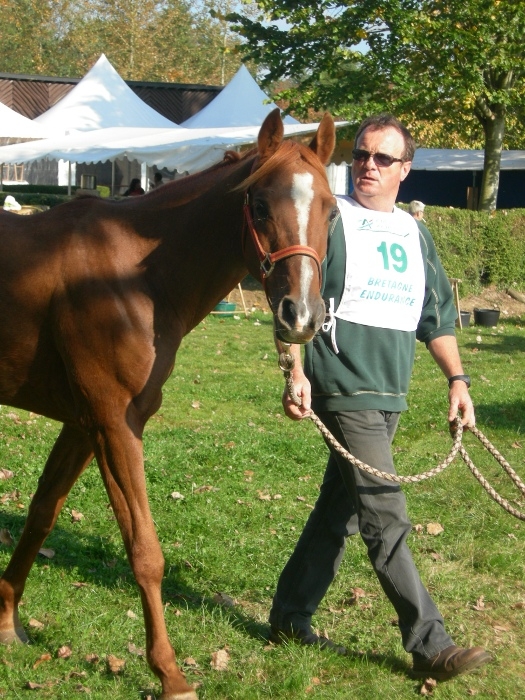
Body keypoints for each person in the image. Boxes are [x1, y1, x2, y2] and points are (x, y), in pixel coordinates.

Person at [268, 114, 492, 682]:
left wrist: (458, 380)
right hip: (344, 387)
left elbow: (436, 316)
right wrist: (295, 370)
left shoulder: (415, 234)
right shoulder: (331, 219)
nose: (368, 165)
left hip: (391, 393)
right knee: (385, 516)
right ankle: (430, 643)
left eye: (382, 158)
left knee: (338, 513)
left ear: (405, 170)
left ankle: (289, 614)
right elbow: (294, 293)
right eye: (362, 155)